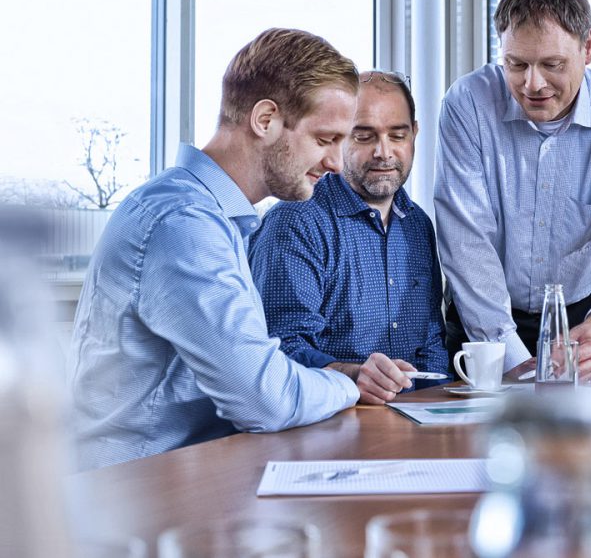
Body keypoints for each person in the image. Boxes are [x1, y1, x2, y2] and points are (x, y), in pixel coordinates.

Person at [70, 28, 361, 469]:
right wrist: (347, 386)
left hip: (186, 472)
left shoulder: (217, 217)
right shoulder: (183, 223)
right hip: (134, 488)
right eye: (324, 140)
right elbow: (265, 400)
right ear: (265, 120)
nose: (336, 165)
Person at [434, 0, 591, 383]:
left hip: (581, 320)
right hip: (483, 318)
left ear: (588, 47)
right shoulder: (467, 103)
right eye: (515, 64)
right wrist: (515, 361)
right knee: (476, 442)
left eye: (552, 65)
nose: (531, 84)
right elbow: (466, 239)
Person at [249, 71, 449, 405]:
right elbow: (280, 349)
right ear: (338, 137)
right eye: (365, 136)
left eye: (397, 135)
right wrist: (354, 376)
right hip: (326, 423)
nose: (383, 152)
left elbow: (431, 345)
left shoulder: (418, 226)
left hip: (416, 424)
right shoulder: (296, 221)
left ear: (414, 133)